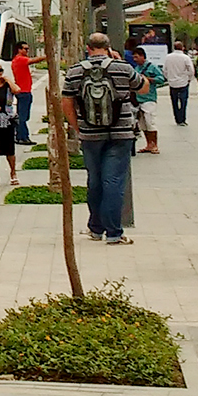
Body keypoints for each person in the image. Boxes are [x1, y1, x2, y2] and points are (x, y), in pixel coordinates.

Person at [62, 32, 145, 245]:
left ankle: (96, 229)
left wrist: (78, 128)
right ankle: (114, 233)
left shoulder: (75, 71)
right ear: (108, 48)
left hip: (90, 135)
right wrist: (119, 61)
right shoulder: (123, 68)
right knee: (114, 181)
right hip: (121, 133)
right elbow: (143, 86)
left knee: (95, 180)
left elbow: (66, 104)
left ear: (88, 48)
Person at [132, 47, 164, 155]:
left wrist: (150, 79)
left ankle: (154, 144)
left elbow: (161, 79)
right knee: (142, 123)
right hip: (138, 99)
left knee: (150, 121)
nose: (135, 59)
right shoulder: (136, 68)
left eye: (136, 57)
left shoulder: (152, 67)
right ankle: (148, 144)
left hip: (149, 98)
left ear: (142, 56)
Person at [161, 43, 194, 126]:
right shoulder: (185, 57)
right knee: (183, 101)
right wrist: (189, 78)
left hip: (172, 83)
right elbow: (191, 70)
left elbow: (164, 70)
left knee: (174, 101)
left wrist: (168, 78)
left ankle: (177, 119)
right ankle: (182, 118)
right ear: (182, 48)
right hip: (183, 82)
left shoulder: (168, 57)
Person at [9, 41, 35, 146]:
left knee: (23, 115)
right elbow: (33, 60)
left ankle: (20, 135)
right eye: (25, 49)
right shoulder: (20, 59)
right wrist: (47, 56)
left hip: (25, 91)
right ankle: (22, 137)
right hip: (24, 92)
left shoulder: (17, 60)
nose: (27, 51)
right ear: (19, 50)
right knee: (22, 116)